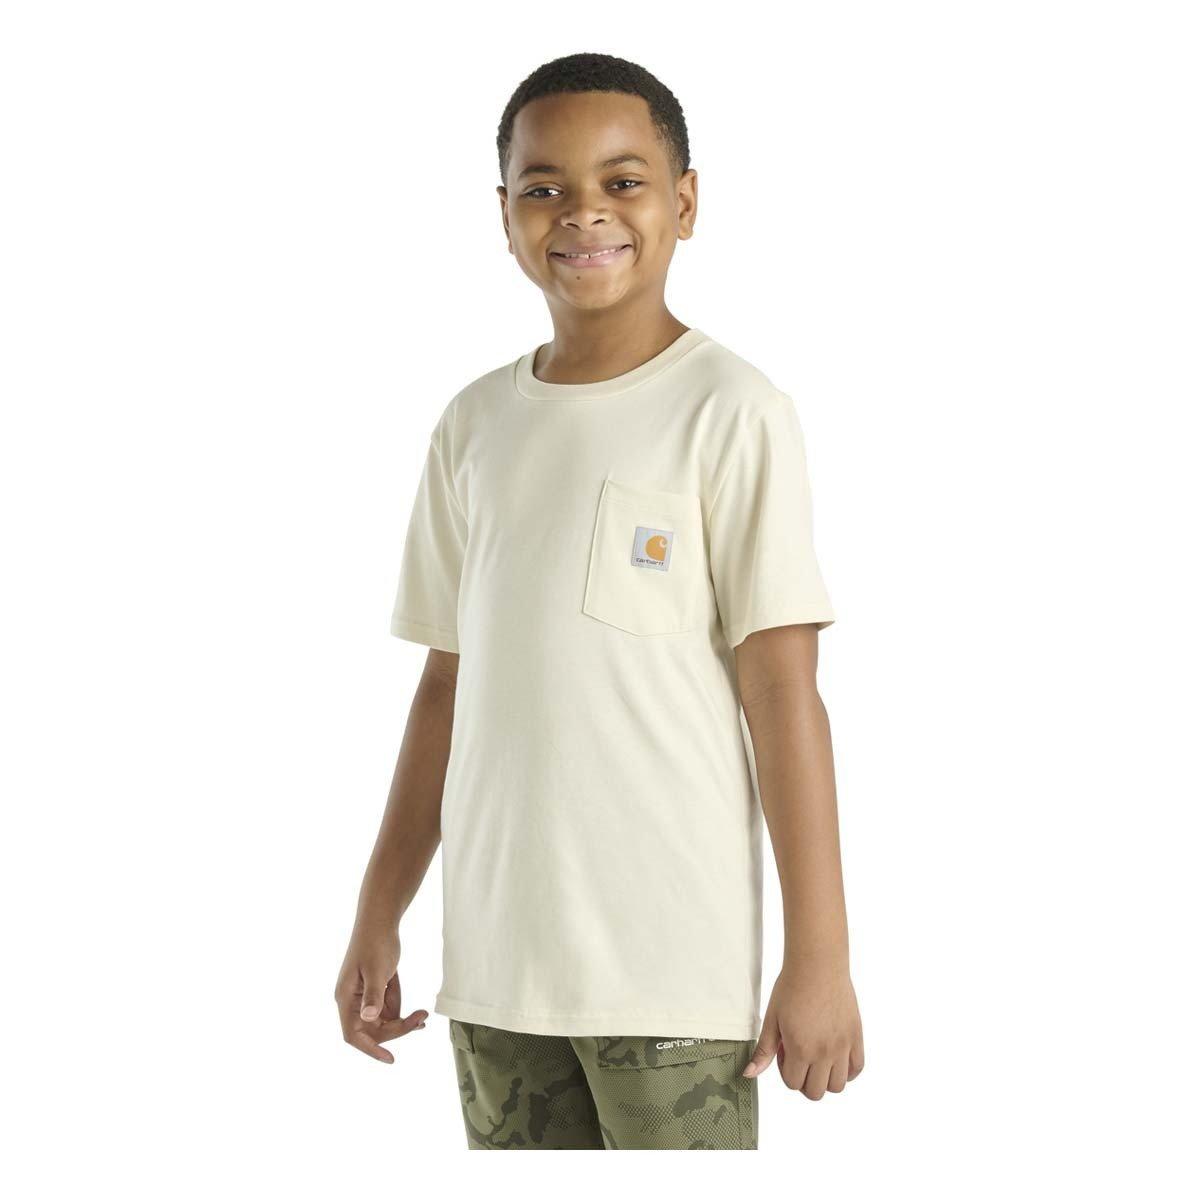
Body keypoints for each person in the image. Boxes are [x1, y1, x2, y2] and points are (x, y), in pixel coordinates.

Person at [334, 51, 864, 1151]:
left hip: (669, 976)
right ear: (505, 214)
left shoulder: (732, 412)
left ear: (685, 202)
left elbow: (782, 692)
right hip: (497, 974)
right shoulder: (473, 426)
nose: (583, 212)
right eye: (545, 187)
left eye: (622, 182)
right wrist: (378, 911)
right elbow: (446, 688)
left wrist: (821, 957)